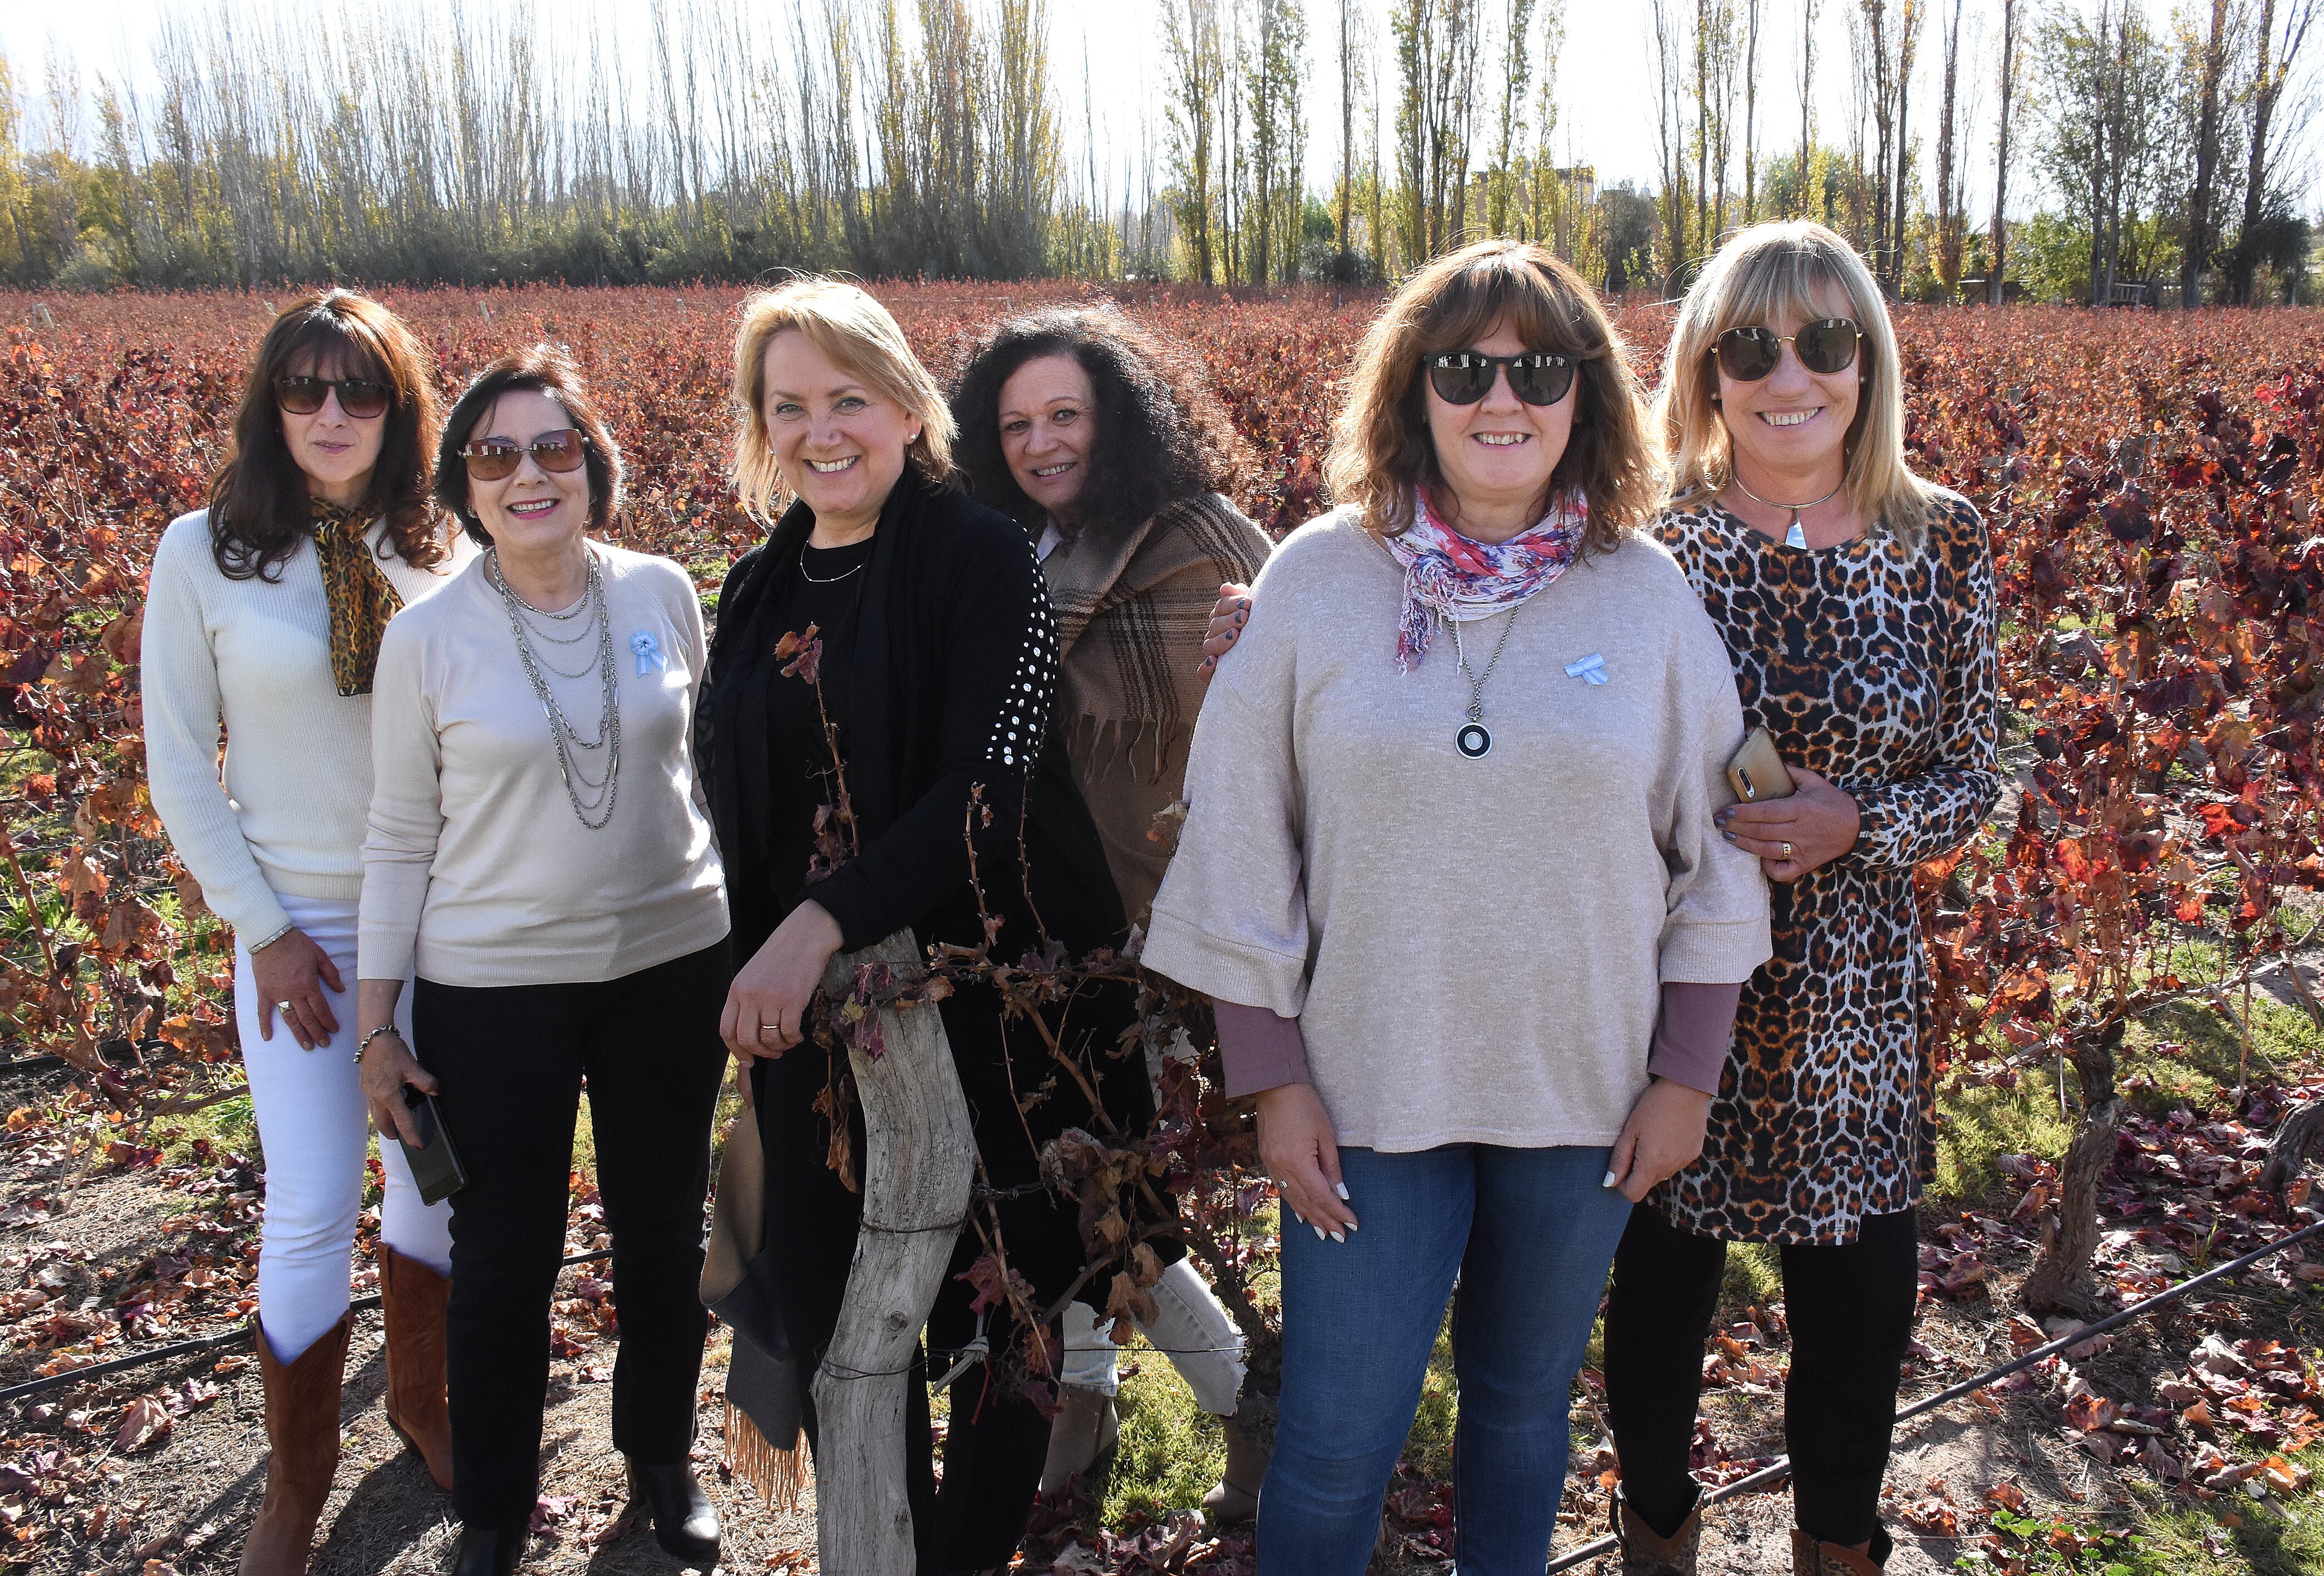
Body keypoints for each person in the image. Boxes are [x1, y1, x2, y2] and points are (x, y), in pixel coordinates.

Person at [1139, 239, 1772, 1575]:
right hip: (1365, 1098)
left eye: (1538, 369)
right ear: (1411, 392)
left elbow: (1715, 848)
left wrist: (1687, 1078)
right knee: (1332, 1437)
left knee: (1523, 1410)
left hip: (1583, 1099)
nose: (1504, 398)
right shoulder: (1314, 581)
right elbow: (1242, 836)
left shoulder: (1650, 599)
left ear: (1585, 397)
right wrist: (1271, 1081)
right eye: (1465, 367)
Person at [701, 279, 1154, 1575]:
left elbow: (987, 791)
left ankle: (963, 1558)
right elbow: (746, 809)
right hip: (819, 1026)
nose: (821, 430)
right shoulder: (752, 589)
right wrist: (770, 960)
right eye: (788, 406)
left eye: (849, 398)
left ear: (906, 406)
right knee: (848, 1307)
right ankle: (881, 1543)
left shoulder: (980, 557)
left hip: (995, 992)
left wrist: (818, 925)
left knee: (1004, 1303)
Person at [1599, 221, 2001, 1576]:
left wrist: (1859, 823)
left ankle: (1839, 1548)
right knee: (1655, 1299)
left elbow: (1982, 764)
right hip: (1675, 985)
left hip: (1857, 998)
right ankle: (1654, 1534)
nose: (1792, 375)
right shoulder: (1640, 548)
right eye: (1752, 345)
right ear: (1707, 373)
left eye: (1825, 342)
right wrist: (1269, 608)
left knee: (1856, 1314)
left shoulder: (1942, 539)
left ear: (1867, 362)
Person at [352, 347, 733, 1576]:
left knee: (662, 1230)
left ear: (592, 465)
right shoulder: (429, 638)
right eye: (498, 454)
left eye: (555, 447)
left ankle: (659, 1465)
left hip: (673, 966)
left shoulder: (665, 591)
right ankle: (499, 1512)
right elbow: (399, 837)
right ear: (467, 483)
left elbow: (709, 772)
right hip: (493, 989)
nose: (530, 474)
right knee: (503, 1257)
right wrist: (376, 1025)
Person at [142, 290, 470, 1576]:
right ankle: (297, 1483)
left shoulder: (441, 545)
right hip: (302, 934)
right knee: (314, 1199)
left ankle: (424, 1403)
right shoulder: (203, 553)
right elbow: (179, 768)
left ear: (399, 410)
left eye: (363, 391)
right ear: (271, 404)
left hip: (442, 922)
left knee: (436, 1182)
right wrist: (266, 932)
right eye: (306, 389)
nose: (332, 415)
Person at [947, 306, 1273, 1511]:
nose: (1040, 444)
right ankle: (1085, 1392)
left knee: (1116, 1184)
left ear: (1120, 418)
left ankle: (1247, 1401)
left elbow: (1290, 695)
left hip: (1166, 926)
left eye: (1065, 416)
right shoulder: (1001, 546)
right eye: (1016, 423)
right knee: (1055, 1176)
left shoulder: (1199, 537)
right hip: (1029, 925)